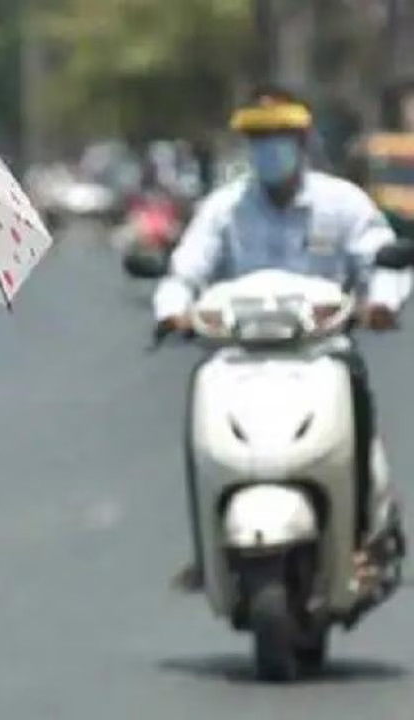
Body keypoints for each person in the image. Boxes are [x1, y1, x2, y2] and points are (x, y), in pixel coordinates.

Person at [155, 87, 412, 592]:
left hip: (322, 350)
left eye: (279, 137)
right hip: (237, 355)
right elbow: (184, 271)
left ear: (302, 140)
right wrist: (171, 312)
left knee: (355, 397)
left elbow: (381, 258)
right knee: (197, 419)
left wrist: (381, 303)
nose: (269, 148)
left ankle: (360, 537)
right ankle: (206, 549)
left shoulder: (343, 204)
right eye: (258, 138)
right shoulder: (224, 210)